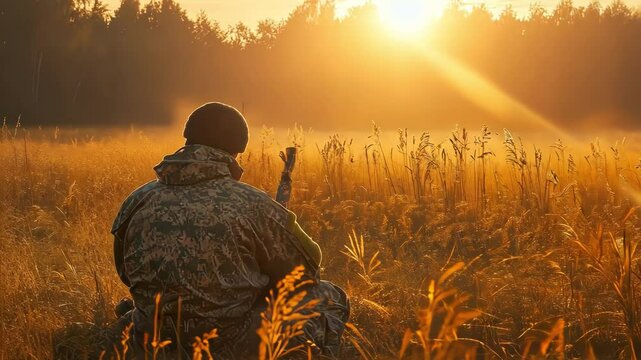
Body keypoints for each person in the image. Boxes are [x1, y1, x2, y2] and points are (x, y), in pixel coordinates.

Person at [109, 103, 349, 359]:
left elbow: (126, 273)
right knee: (330, 295)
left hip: (150, 343)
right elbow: (306, 269)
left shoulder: (137, 200)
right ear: (237, 151)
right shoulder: (253, 203)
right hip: (231, 348)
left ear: (187, 140)